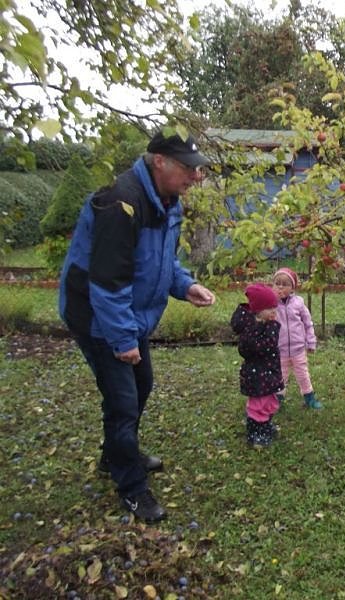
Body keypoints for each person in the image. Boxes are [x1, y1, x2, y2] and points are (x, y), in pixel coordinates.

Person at [59, 129, 215, 523]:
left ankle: (116, 452)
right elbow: (108, 282)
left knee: (141, 384)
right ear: (158, 161)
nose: (195, 178)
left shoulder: (168, 201)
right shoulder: (120, 204)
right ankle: (130, 487)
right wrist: (123, 339)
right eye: (188, 169)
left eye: (197, 170)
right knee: (123, 400)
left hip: (130, 315)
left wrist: (186, 285)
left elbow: (159, 262)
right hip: (98, 317)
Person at [230, 283, 284, 448]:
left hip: (267, 370)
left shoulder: (263, 325)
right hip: (257, 373)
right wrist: (273, 328)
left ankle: (264, 426)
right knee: (258, 404)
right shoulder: (251, 328)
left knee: (268, 400)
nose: (274, 312)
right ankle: (255, 432)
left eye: (275, 307)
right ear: (259, 310)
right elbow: (263, 346)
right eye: (270, 308)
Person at [272, 267, 322, 409]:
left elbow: (308, 323)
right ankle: (277, 400)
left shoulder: (298, 303)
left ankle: (309, 398)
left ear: (292, 288)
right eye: (277, 283)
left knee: (303, 375)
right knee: (280, 377)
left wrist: (311, 341)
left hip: (298, 349)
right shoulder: (272, 303)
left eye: (285, 284)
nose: (280, 286)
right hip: (279, 349)